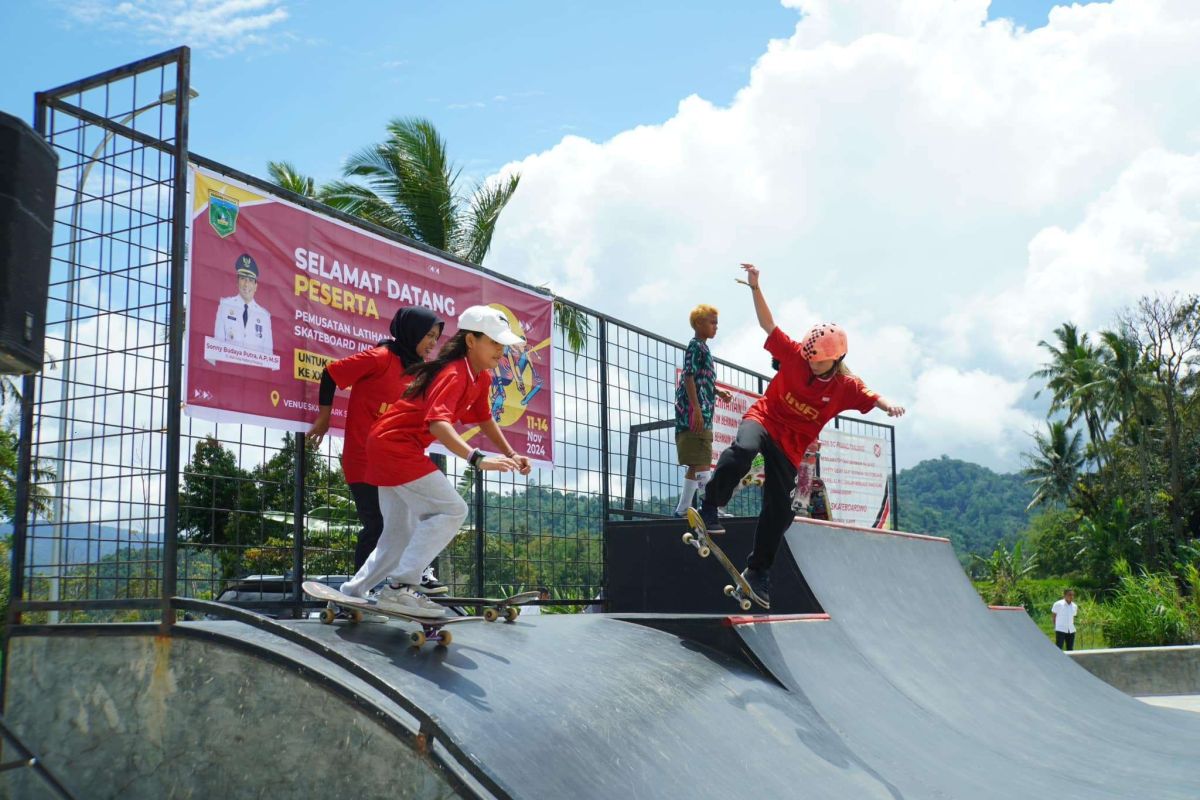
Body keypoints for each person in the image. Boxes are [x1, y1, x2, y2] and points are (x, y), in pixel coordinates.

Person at [697, 263, 906, 608]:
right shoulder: (795, 355)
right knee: (742, 450)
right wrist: (755, 288)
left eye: (819, 363)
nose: (811, 365)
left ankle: (758, 572)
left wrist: (888, 405)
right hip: (764, 419)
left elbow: (872, 395)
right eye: (809, 359)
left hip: (790, 449)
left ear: (836, 360)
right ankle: (709, 505)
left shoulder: (845, 386)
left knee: (782, 511)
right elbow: (768, 324)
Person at [338, 305, 532, 618]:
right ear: (471, 341)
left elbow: (483, 418)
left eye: (502, 343)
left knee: (398, 534)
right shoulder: (453, 373)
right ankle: (401, 588)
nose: (501, 349)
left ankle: (352, 592)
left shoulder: (479, 377)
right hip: (395, 447)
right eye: (494, 342)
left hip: (387, 445)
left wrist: (510, 453)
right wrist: (476, 458)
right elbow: (437, 424)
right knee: (454, 509)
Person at [307, 306, 444, 590]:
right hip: (364, 459)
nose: (433, 343)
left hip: (397, 461)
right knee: (379, 525)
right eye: (429, 335)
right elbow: (332, 373)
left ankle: (412, 577)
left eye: (436, 337)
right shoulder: (381, 358)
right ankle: (357, 593)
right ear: (412, 332)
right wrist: (323, 418)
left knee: (419, 516)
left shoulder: (418, 373)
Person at [673, 304, 732, 516]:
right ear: (699, 324)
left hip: (701, 412)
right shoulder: (695, 346)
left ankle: (682, 509)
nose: (716, 327)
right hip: (694, 414)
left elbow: (699, 379)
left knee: (695, 462)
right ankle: (710, 508)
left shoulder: (704, 348)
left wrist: (717, 392)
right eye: (712, 322)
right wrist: (696, 409)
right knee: (703, 460)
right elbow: (688, 376)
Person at [213, 253, 274, 354]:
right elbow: (217, 347)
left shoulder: (264, 316)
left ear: (255, 286)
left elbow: (268, 356)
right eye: (243, 279)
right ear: (237, 282)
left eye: (250, 280)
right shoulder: (225, 306)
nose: (246, 284)